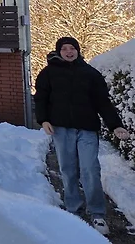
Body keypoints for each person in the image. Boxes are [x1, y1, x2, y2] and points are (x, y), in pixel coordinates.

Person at [34, 36, 130, 236]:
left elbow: (103, 102)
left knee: (90, 170)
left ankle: (97, 213)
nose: (69, 52)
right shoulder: (48, 73)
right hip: (61, 129)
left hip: (87, 129)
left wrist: (116, 125)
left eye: (72, 48)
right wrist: (43, 120)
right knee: (68, 170)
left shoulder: (90, 74)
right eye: (64, 49)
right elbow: (41, 98)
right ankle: (73, 210)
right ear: (59, 51)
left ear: (78, 51)